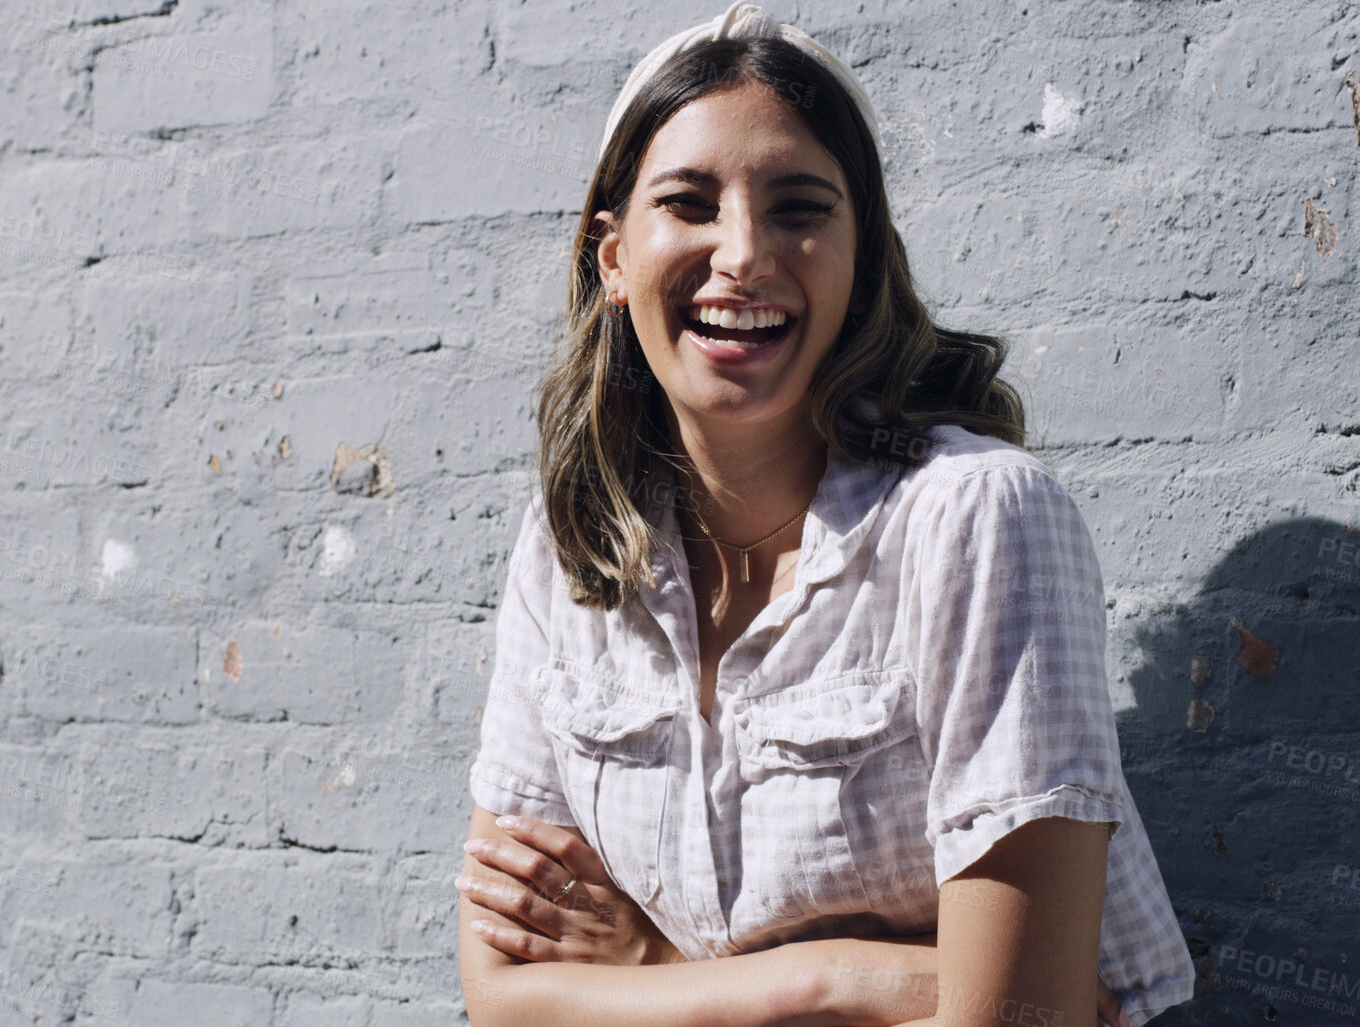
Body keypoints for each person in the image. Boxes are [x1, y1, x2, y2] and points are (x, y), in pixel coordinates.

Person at [455, 5, 1196, 1025]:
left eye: (799, 209)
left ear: (860, 263)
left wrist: (649, 967)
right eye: (689, 203)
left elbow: (1018, 1018)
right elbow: (504, 994)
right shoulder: (571, 547)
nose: (744, 255)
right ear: (613, 258)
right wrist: (844, 978)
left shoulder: (977, 522)